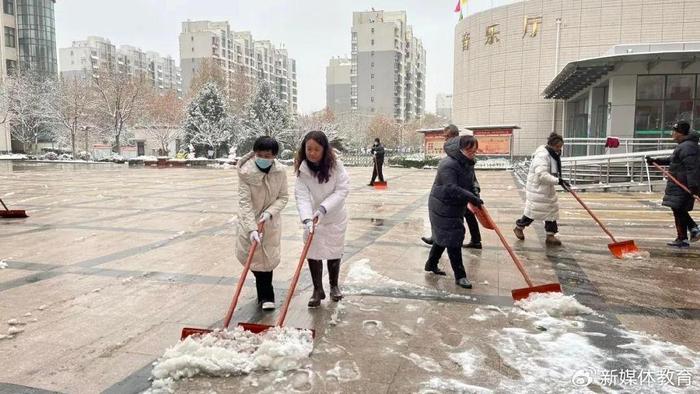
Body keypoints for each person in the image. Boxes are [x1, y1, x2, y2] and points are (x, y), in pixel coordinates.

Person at [295, 130, 350, 307]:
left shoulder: (336, 166)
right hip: (313, 218)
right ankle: (317, 290)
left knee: (334, 250)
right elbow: (301, 196)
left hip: (334, 216)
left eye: (316, 149)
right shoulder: (302, 170)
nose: (312, 153)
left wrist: (324, 208)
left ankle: (334, 286)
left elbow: (342, 190)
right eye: (308, 149)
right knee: (313, 252)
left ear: (324, 150)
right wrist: (306, 219)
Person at [235, 136, 288, 310]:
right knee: (255, 260)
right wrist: (251, 229)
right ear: (254, 153)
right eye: (260, 155)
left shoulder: (280, 172)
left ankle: (266, 296)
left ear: (274, 156)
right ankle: (264, 293)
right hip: (250, 221)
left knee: (267, 259)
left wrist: (269, 212)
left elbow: (283, 197)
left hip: (270, 222)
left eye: (267, 155)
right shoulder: (246, 173)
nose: (263, 159)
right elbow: (245, 203)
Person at [424, 135, 482, 289]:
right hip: (442, 205)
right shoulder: (447, 164)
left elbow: (472, 181)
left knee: (443, 236)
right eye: (470, 150)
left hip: (455, 205)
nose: (473, 153)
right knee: (453, 239)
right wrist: (471, 198)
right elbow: (451, 188)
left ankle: (431, 264)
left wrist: (475, 192)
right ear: (461, 149)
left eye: (475, 150)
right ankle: (460, 276)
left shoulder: (467, 162)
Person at [421, 124, 483, 249]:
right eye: (445, 137)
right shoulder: (455, 152)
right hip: (458, 192)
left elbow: (471, 175)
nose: (445, 139)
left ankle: (472, 240)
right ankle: (474, 240)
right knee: (453, 216)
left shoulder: (462, 150)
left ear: (454, 136)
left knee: (455, 217)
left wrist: (474, 192)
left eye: (447, 136)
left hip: (459, 192)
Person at [646, 121, 700, 247]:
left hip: (683, 184)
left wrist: (693, 186)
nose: (672, 133)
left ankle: (688, 233)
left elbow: (692, 168)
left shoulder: (687, 147)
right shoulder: (685, 146)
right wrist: (656, 161)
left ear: (680, 133)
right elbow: (673, 160)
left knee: (678, 208)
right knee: (677, 209)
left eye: (674, 131)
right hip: (679, 183)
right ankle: (687, 234)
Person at [513, 132, 570, 246]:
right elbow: (542, 175)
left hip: (546, 188)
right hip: (538, 188)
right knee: (534, 211)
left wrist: (560, 180)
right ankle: (519, 227)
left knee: (551, 211)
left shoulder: (551, 154)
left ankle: (550, 235)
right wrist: (558, 181)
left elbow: (551, 173)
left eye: (561, 147)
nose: (559, 150)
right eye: (558, 147)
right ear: (552, 145)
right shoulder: (542, 156)